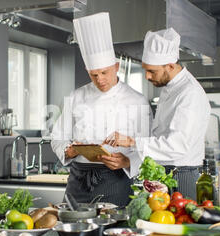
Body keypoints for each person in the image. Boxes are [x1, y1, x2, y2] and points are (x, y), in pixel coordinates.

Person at [50, 12, 152, 207]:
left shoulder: (137, 101)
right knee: (71, 232)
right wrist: (68, 151)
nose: (100, 80)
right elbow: (57, 136)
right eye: (93, 75)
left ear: (116, 66)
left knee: (111, 234)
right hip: (78, 180)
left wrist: (127, 162)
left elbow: (147, 145)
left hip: (115, 179)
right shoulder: (76, 97)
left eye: (104, 72)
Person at [101, 28, 211, 200]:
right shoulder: (170, 88)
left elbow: (178, 146)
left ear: (170, 66)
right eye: (145, 70)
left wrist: (131, 141)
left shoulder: (190, 93)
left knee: (179, 226)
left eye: (152, 71)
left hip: (179, 176)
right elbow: (159, 136)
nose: (147, 76)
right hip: (163, 173)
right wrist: (130, 159)